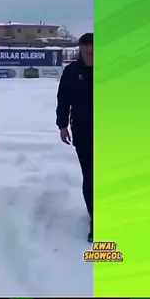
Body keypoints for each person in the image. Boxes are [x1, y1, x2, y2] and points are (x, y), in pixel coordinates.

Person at [56, 32, 93, 242]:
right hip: (82, 130)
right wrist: (62, 125)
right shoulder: (72, 72)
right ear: (80, 48)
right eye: (85, 46)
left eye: (93, 46)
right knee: (90, 175)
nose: (89, 50)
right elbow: (63, 99)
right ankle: (95, 218)